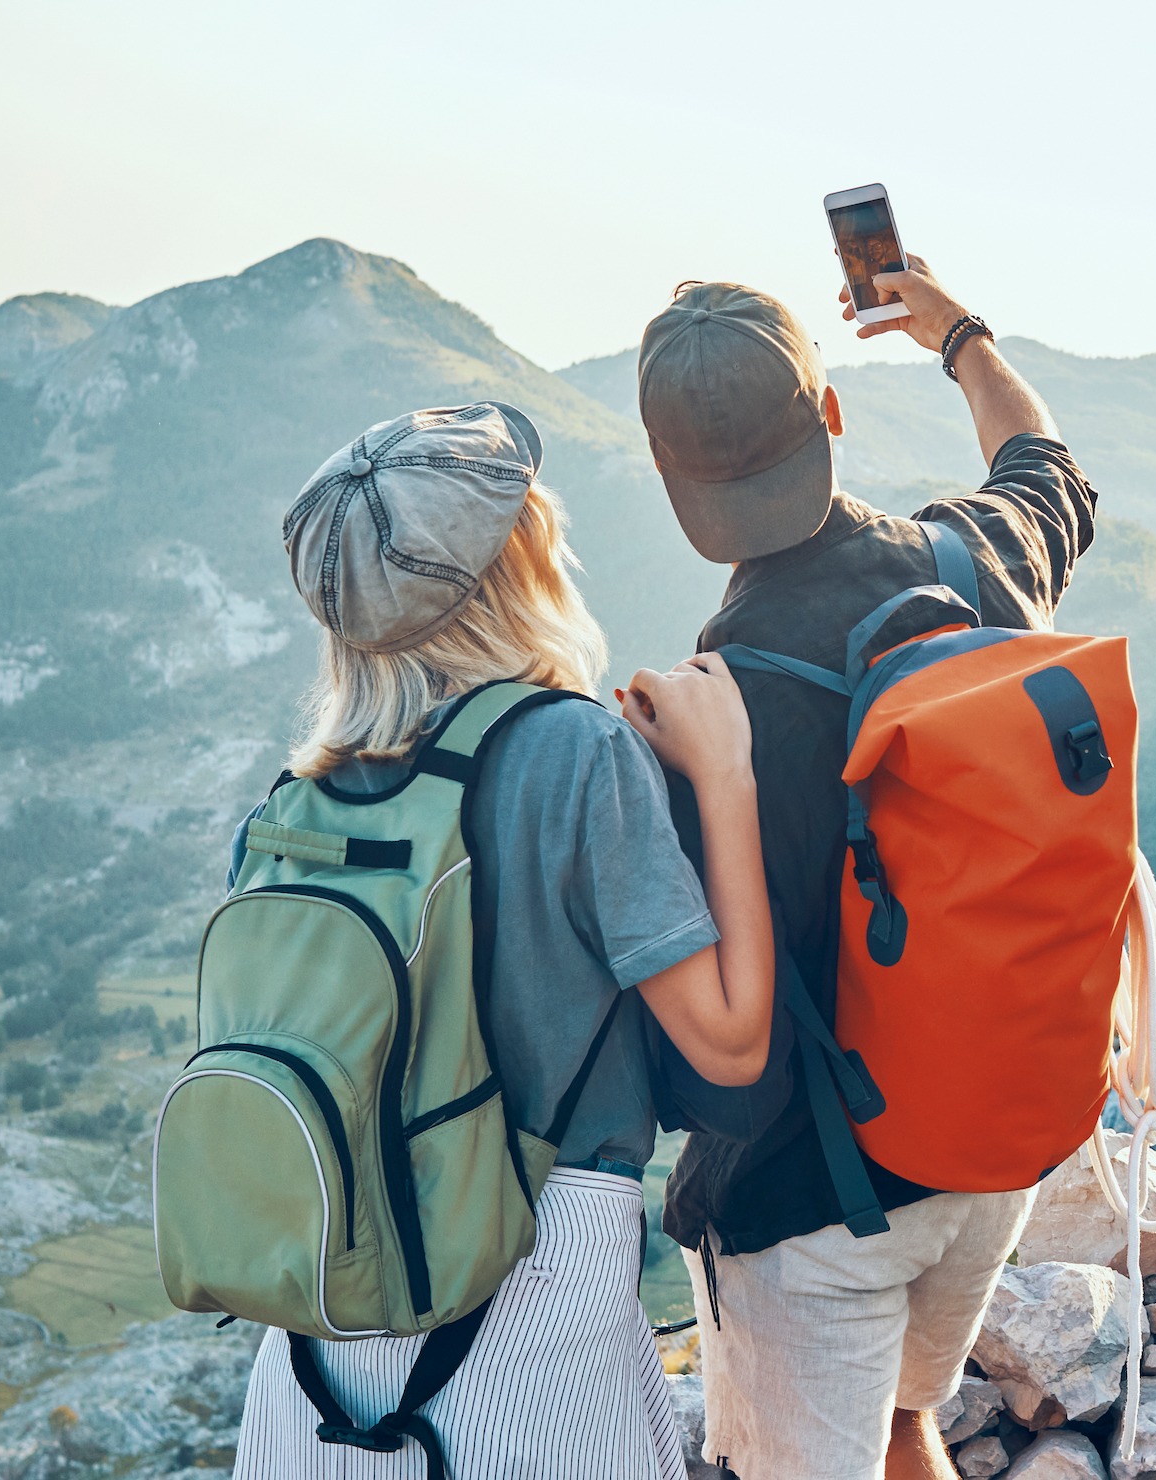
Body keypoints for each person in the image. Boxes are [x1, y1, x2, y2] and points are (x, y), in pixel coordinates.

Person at [228, 401, 776, 1480]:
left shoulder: (287, 811)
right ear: (518, 568)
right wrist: (726, 775)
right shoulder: (575, 752)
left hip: (319, 1334)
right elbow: (731, 1045)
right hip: (533, 1294)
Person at [638, 262, 1099, 1480]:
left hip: (819, 1203)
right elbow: (1046, 464)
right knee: (906, 1423)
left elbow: (707, 1026)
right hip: (988, 1141)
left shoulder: (703, 717)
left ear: (668, 477)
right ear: (830, 413)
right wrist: (958, 336)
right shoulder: (975, 564)